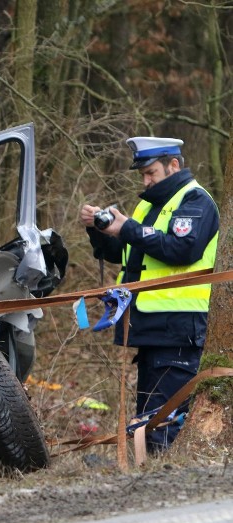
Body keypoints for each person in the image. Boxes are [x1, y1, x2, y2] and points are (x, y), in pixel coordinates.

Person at [79, 136, 219, 453]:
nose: (146, 180)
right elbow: (128, 254)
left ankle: (161, 474)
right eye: (142, 174)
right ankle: (146, 471)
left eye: (151, 172)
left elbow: (182, 249)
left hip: (179, 326)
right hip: (149, 325)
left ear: (174, 165)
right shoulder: (148, 205)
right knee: (149, 412)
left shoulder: (194, 200)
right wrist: (99, 230)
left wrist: (127, 228)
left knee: (165, 415)